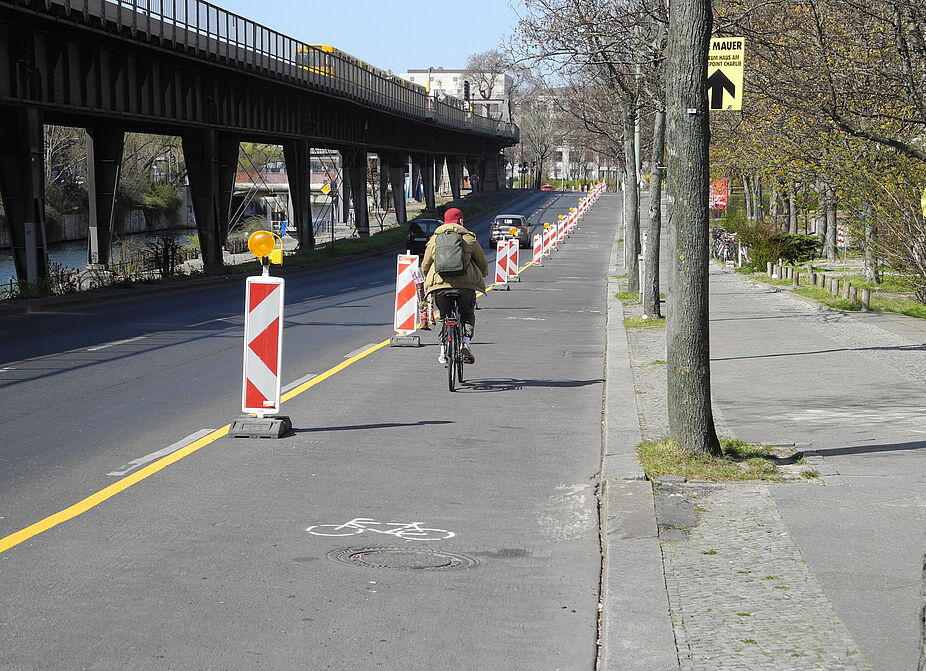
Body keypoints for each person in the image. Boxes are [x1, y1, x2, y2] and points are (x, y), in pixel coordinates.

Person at [421, 207, 488, 365]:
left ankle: (443, 349)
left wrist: (427, 278)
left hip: (440, 285)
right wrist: (483, 274)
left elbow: (425, 264)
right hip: (465, 285)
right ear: (461, 221)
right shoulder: (469, 238)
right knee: (467, 314)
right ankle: (465, 342)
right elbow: (482, 262)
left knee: (444, 316)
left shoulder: (434, 240)